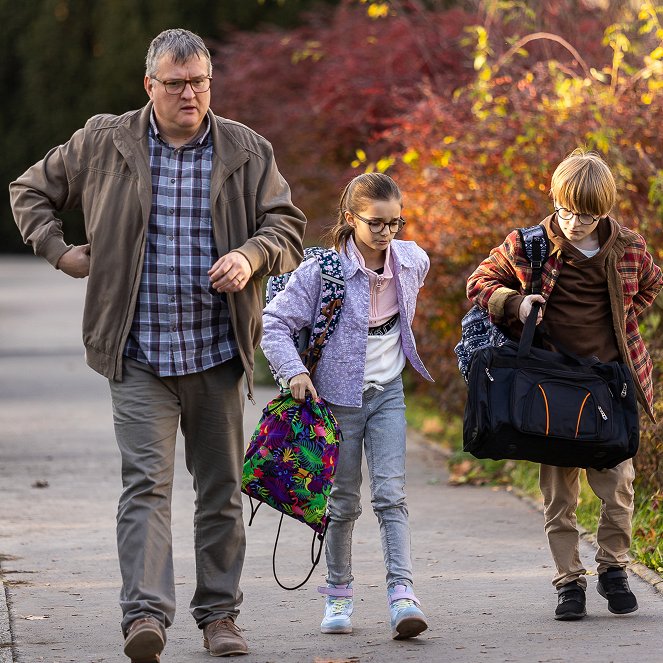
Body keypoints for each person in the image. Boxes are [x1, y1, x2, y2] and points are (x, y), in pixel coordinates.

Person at [9, 28, 306, 662]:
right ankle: (144, 616)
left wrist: (253, 255)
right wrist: (59, 251)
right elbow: (29, 190)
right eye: (175, 84)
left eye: (199, 81)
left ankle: (219, 617)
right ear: (149, 86)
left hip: (217, 352)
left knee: (221, 489)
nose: (190, 94)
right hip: (137, 351)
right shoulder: (105, 141)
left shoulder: (247, 151)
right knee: (145, 484)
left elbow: (287, 226)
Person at [466, 149, 663, 621]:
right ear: (554, 200)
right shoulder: (528, 245)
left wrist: (623, 323)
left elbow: (653, 284)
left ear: (606, 210)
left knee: (618, 489)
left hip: (608, 390)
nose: (576, 222)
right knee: (560, 496)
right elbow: (479, 283)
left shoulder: (629, 248)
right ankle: (569, 581)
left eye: (589, 214)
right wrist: (514, 303)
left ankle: (614, 567)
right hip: (550, 389)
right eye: (567, 210)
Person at [261, 172, 434, 640]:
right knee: (341, 503)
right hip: (335, 403)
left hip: (388, 396)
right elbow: (273, 323)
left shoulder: (411, 261)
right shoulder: (322, 272)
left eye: (396, 222)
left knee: (391, 496)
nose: (387, 233)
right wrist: (294, 372)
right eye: (376, 223)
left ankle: (403, 596)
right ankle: (338, 594)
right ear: (350, 218)